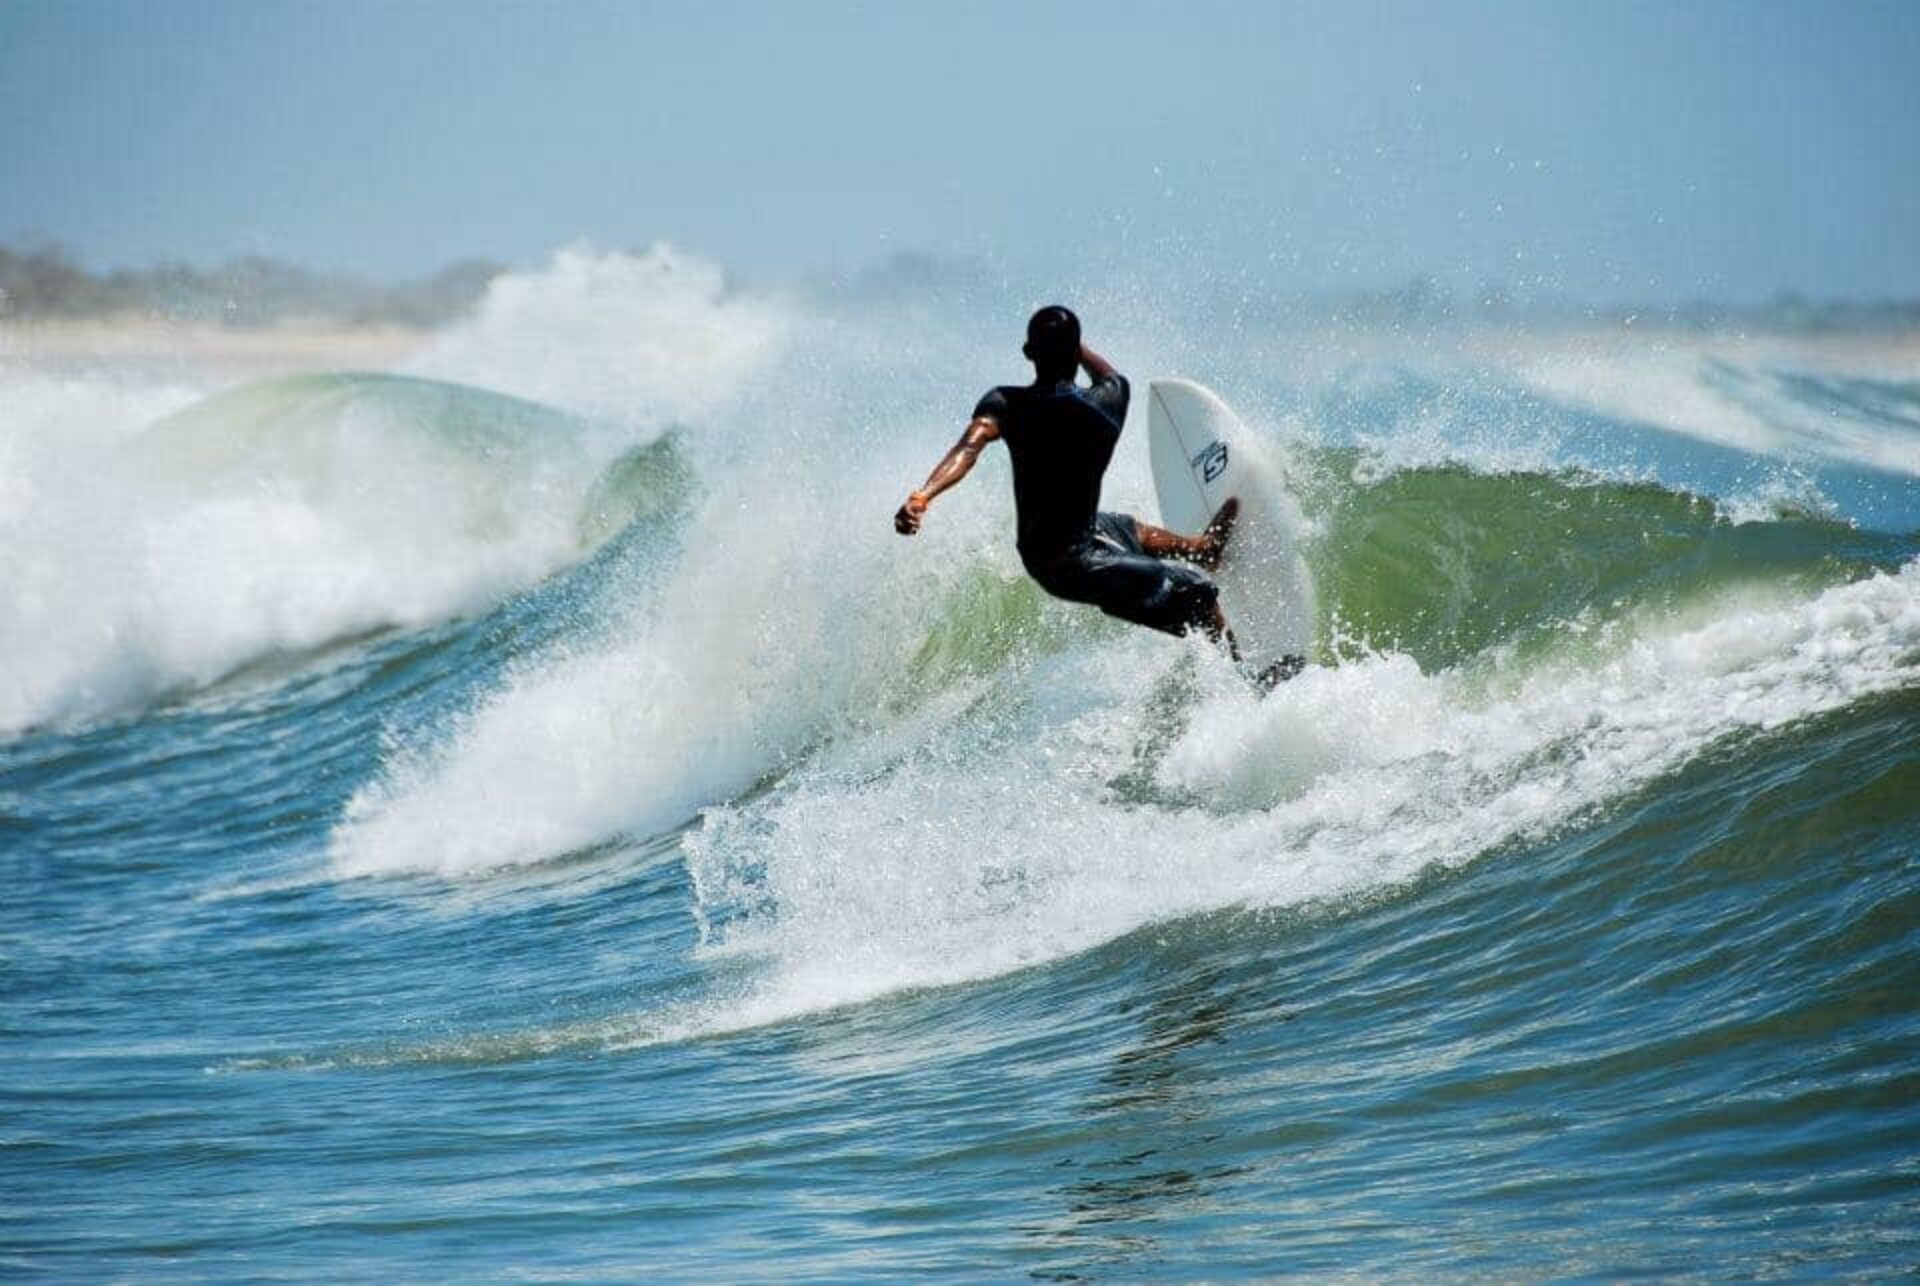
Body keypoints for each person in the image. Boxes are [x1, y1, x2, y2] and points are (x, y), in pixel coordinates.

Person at [896, 305, 1296, 681]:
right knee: (1196, 593)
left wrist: (924, 496)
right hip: (1077, 565)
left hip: (1048, 555)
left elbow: (968, 447)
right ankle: (1245, 679)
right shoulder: (1109, 403)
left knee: (1126, 528)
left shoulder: (1007, 404)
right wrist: (1075, 345)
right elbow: (1106, 372)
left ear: (1027, 352)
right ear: (1076, 351)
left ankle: (1202, 548)